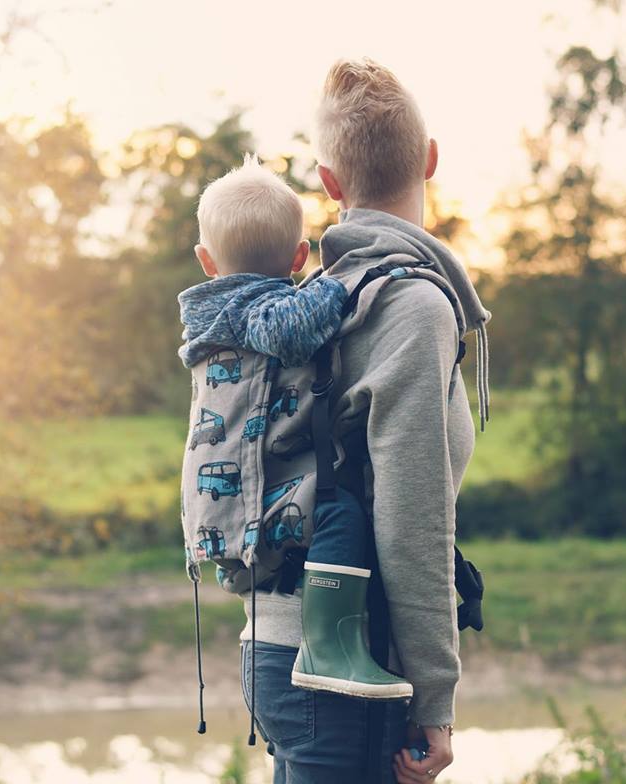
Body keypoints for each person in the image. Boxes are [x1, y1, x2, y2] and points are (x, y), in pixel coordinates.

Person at [237, 58, 491, 784]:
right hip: (349, 667)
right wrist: (437, 697)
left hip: (275, 649)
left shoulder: (311, 300)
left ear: (330, 183)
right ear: (431, 159)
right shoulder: (412, 307)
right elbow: (414, 519)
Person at [178, 155, 414, 700]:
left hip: (229, 494)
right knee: (341, 513)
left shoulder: (213, 311)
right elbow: (292, 330)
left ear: (206, 260)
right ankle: (330, 649)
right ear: (300, 256)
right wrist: (351, 275)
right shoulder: (255, 310)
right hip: (263, 495)